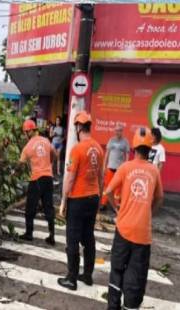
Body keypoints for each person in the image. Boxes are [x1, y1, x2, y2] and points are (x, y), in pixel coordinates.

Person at [105, 127, 163, 310]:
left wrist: (117, 210)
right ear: (149, 150)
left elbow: (108, 192)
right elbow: (160, 198)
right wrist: (149, 213)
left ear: (134, 149)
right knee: (136, 277)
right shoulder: (154, 171)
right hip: (142, 234)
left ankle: (113, 306)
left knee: (117, 271)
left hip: (123, 229)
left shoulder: (125, 168)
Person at [57, 111, 104, 291]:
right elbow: (101, 177)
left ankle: (71, 278)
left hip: (77, 200)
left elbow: (69, 179)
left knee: (73, 239)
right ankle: (88, 275)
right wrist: (99, 199)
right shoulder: (99, 149)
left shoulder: (76, 150)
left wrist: (63, 201)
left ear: (78, 127)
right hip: (93, 198)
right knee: (88, 238)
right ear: (89, 127)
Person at [19, 119, 57, 246]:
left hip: (36, 179)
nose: (25, 135)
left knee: (30, 207)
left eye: (25, 132)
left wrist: (15, 171)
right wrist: (49, 163)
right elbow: (55, 154)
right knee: (48, 207)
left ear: (29, 131)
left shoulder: (28, 146)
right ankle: (52, 235)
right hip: (48, 178)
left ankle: (29, 234)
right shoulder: (46, 140)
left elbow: (21, 164)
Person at [101, 124, 130, 209]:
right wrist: (104, 166)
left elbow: (127, 156)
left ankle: (116, 205)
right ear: (114, 131)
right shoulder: (111, 140)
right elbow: (107, 154)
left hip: (120, 169)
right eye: (116, 130)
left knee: (118, 188)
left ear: (122, 131)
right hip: (110, 167)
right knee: (107, 186)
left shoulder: (125, 142)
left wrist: (126, 168)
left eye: (119, 130)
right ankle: (104, 203)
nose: (118, 132)